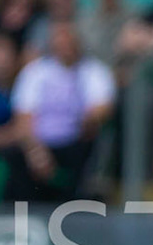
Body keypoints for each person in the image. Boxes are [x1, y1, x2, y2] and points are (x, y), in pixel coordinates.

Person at [10, 21, 116, 202]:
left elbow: (102, 108)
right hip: (39, 146)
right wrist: (36, 151)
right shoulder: (35, 72)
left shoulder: (94, 72)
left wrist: (86, 121)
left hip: (77, 143)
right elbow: (23, 117)